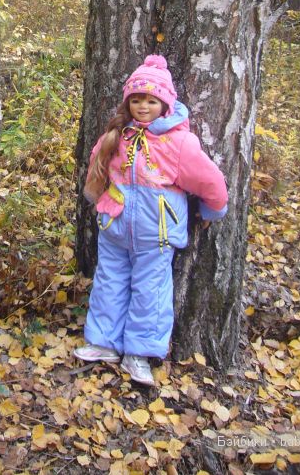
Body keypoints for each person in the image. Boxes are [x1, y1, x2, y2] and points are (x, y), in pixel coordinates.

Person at [74, 55, 228, 386]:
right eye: (137, 100)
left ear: (165, 104)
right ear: (128, 102)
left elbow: (210, 180)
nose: (143, 106)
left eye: (151, 101)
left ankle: (139, 353)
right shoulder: (118, 135)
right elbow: (97, 166)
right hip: (114, 227)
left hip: (155, 233)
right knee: (109, 282)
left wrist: (213, 209)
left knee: (151, 292)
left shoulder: (178, 143)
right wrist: (97, 198)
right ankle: (103, 342)